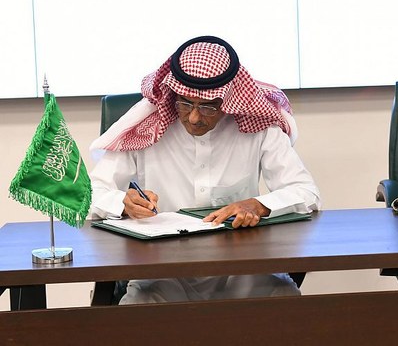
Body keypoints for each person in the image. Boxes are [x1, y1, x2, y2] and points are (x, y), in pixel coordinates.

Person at [89, 35, 321, 303]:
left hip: (242, 267)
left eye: (208, 106)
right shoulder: (146, 128)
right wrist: (123, 203)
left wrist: (259, 205)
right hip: (164, 270)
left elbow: (307, 193)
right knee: (141, 307)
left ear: (228, 99)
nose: (194, 117)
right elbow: (90, 194)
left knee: (284, 300)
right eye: (185, 103)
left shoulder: (260, 128)